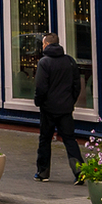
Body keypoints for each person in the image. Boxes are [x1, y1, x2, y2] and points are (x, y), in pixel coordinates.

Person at [33, 31, 84, 183]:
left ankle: (43, 172)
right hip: (65, 109)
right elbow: (76, 84)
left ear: (46, 44)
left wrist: (39, 101)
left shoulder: (44, 62)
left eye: (43, 43)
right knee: (70, 140)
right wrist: (71, 100)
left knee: (45, 140)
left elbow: (41, 86)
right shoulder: (69, 61)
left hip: (48, 109)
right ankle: (79, 171)